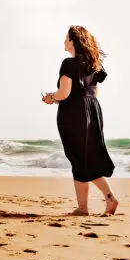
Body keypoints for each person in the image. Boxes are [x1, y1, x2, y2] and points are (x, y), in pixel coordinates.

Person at [42, 25, 118, 216]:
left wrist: (51, 97)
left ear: (74, 41)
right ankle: (93, 204)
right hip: (92, 111)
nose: (64, 41)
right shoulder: (94, 64)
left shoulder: (68, 64)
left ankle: (96, 203)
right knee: (86, 159)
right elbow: (94, 93)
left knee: (78, 159)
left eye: (67, 38)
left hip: (74, 114)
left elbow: (64, 93)